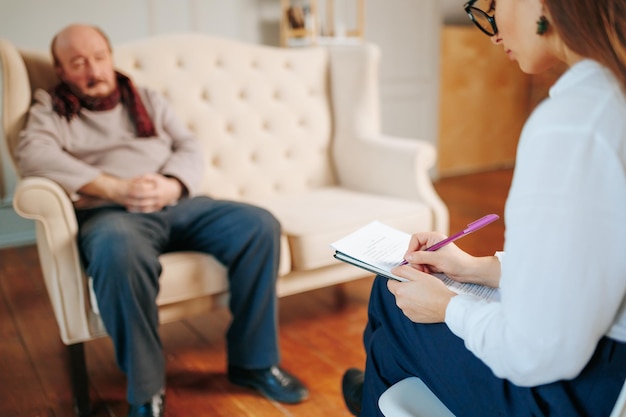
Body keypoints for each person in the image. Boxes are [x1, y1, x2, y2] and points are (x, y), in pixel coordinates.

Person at [341, 0, 626, 416]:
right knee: (393, 333)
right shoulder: (610, 99)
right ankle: (380, 384)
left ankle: (380, 383)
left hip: (579, 395)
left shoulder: (573, 125)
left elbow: (537, 353)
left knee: (390, 298)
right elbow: (588, 267)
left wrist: (448, 307)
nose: (491, 30)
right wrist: (476, 268)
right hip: (609, 368)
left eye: (490, 5)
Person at [16, 24, 308, 417]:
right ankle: (146, 390)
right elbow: (33, 155)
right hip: (112, 215)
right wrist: (113, 188)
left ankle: (252, 364)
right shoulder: (50, 108)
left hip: (176, 203)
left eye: (100, 57)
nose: (94, 71)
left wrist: (171, 185)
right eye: (79, 63)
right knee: (118, 253)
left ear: (110, 56)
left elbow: (188, 145)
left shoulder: (144, 98)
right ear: (61, 70)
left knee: (259, 226)